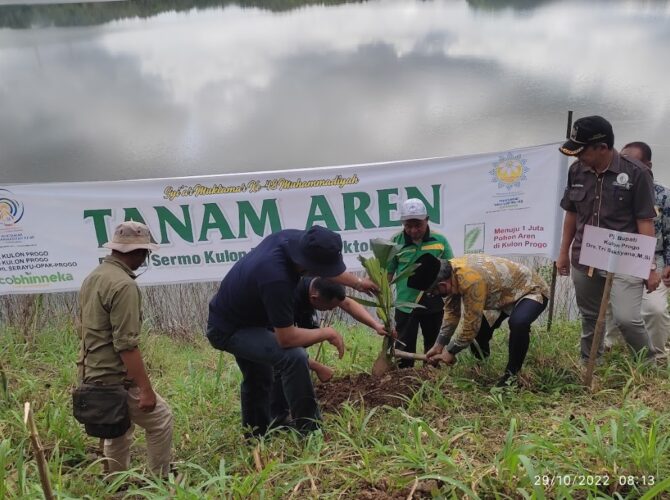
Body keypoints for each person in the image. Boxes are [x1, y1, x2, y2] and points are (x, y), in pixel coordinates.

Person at [206, 226, 379, 437]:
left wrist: (359, 283)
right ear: (310, 266)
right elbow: (286, 339)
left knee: (259, 376)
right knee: (293, 357)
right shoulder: (276, 278)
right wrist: (327, 333)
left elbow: (328, 270)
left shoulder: (294, 240)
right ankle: (310, 431)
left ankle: (259, 433)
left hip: (250, 316)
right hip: (229, 328)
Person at [556, 116, 657, 364]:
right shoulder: (576, 171)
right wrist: (563, 253)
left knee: (626, 318)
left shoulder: (637, 173)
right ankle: (589, 363)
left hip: (626, 258)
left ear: (602, 148)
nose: (577, 157)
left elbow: (645, 221)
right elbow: (571, 213)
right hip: (585, 255)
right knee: (590, 317)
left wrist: (649, 267)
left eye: (582, 151)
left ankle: (647, 366)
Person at [78, 221, 173, 476]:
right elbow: (126, 345)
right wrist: (145, 389)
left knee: (118, 426)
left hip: (92, 370)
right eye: (145, 253)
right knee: (161, 419)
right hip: (113, 376)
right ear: (139, 252)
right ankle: (160, 481)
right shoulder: (124, 285)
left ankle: (115, 481)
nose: (145, 259)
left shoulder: (94, 276)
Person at [408, 253, 549, 386]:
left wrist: (450, 351)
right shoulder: (450, 275)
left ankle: (511, 376)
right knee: (481, 333)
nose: (434, 296)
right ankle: (481, 365)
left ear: (442, 285)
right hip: (499, 297)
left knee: (518, 323)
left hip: (529, 290)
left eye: (433, 293)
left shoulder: (470, 280)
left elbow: (470, 326)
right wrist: (438, 346)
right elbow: (451, 314)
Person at [605, 141, 670, 357]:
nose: (625, 167)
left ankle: (656, 356)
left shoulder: (664, 197)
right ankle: (610, 350)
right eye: (622, 161)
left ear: (648, 166)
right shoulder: (612, 191)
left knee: (655, 309)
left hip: (655, 258)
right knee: (609, 307)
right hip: (618, 256)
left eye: (632, 162)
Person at [388, 198, 453, 367]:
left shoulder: (440, 240)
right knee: (404, 344)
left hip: (433, 302)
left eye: (418, 225)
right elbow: (387, 274)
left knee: (433, 343)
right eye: (408, 226)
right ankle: (404, 379)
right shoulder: (395, 242)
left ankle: (431, 377)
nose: (413, 230)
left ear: (427, 220)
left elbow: (451, 270)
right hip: (405, 303)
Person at [293, 276, 389, 382]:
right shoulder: (288, 299)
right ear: (314, 298)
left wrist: (376, 325)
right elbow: (282, 342)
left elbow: (347, 303)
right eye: (329, 307)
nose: (330, 310)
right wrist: (317, 367)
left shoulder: (318, 282)